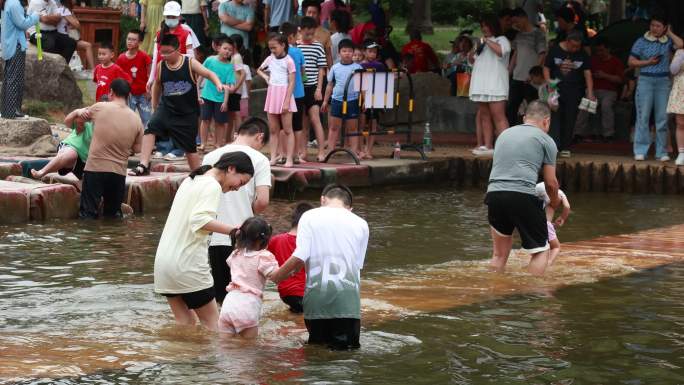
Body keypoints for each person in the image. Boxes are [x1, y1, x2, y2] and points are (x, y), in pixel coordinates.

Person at [154, 151, 255, 331]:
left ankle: (179, 358)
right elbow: (199, 220)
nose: (238, 188)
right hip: (187, 265)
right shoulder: (212, 186)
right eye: (242, 182)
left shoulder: (191, 180)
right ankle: (210, 360)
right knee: (216, 327)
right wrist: (235, 231)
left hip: (164, 264)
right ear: (231, 169)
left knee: (185, 324)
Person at [270, 184, 369, 350]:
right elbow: (357, 265)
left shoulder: (309, 216)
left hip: (317, 298)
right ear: (350, 208)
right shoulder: (361, 224)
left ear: (322, 199)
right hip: (348, 301)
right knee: (346, 354)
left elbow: (301, 255)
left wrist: (277, 276)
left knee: (317, 351)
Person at [131, 34, 225, 176]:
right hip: (167, 108)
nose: (164, 55)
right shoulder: (161, 65)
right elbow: (157, 85)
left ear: (177, 49)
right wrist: (155, 107)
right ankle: (143, 164)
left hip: (187, 113)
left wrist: (218, 84)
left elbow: (209, 74)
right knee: (151, 128)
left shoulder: (189, 63)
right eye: (162, 52)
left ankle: (197, 174)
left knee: (190, 148)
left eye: (167, 52)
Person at [485, 100, 560, 276]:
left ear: (525, 118)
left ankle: (493, 290)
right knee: (541, 250)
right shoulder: (546, 140)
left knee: (499, 254)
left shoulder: (504, 134)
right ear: (546, 121)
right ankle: (532, 297)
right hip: (522, 195)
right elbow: (551, 183)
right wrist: (555, 202)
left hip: (494, 194)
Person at [202, 117, 271, 305]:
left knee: (219, 297)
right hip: (243, 236)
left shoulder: (211, 156)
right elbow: (263, 201)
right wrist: (249, 209)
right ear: (260, 137)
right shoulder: (260, 160)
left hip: (213, 235)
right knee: (242, 293)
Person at [70, 79, 144, 219]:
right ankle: (111, 241)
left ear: (111, 92)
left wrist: (81, 129)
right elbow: (138, 148)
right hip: (118, 173)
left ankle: (90, 239)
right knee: (113, 217)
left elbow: (79, 120)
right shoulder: (136, 119)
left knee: (87, 215)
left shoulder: (100, 107)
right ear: (128, 96)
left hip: (95, 169)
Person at [218, 216, 290, 337]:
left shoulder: (236, 253)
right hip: (248, 307)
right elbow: (276, 276)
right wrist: (290, 269)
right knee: (249, 350)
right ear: (263, 240)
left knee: (224, 347)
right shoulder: (263, 256)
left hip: (228, 305)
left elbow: (230, 263)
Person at [628, 15, 684, 161]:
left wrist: (670, 33)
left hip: (663, 82)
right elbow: (631, 62)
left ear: (664, 27)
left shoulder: (668, 42)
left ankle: (662, 152)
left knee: (662, 118)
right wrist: (648, 62)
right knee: (643, 116)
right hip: (645, 80)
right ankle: (640, 150)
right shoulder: (641, 41)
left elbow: (681, 44)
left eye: (658, 26)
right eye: (653, 25)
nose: (654, 28)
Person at [543, 30, 593, 158]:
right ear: (567, 41)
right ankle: (554, 146)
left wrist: (590, 92)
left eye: (578, 46)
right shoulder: (555, 50)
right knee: (555, 118)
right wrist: (549, 83)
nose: (575, 49)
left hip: (575, 90)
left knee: (570, 118)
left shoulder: (582, 54)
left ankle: (565, 146)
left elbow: (587, 73)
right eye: (573, 46)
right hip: (556, 90)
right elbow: (546, 67)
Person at [468, 17, 511, 156]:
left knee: (498, 116)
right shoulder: (481, 43)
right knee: (484, 115)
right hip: (482, 84)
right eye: (482, 26)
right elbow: (472, 60)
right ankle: (487, 146)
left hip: (496, 84)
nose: (484, 28)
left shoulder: (502, 40)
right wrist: (473, 51)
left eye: (486, 25)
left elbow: (500, 51)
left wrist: (487, 40)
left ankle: (507, 147)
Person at [257, 33, 297, 168]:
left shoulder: (289, 61)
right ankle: (273, 157)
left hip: (284, 94)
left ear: (283, 45)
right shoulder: (269, 59)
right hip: (272, 93)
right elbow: (259, 70)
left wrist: (286, 101)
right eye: (270, 48)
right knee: (273, 130)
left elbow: (292, 82)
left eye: (274, 47)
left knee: (287, 129)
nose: (272, 50)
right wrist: (266, 78)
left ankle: (289, 158)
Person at [267, 202, 313, 313]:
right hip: (308, 295)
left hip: (286, 294)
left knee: (296, 313)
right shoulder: (313, 242)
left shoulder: (276, 240)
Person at [574, 40, 624, 142]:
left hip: (609, 92)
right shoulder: (593, 61)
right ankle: (579, 133)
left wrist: (604, 75)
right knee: (586, 105)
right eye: (597, 51)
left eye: (602, 50)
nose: (599, 53)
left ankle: (608, 134)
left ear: (608, 49)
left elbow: (620, 80)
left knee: (606, 105)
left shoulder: (616, 61)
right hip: (594, 90)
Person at [322, 39, 363, 157]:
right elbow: (330, 85)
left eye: (350, 51)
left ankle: (354, 152)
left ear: (353, 52)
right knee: (334, 127)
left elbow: (363, 86)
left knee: (353, 128)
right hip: (337, 100)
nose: (347, 53)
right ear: (339, 53)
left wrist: (363, 100)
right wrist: (325, 101)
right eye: (344, 51)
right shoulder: (335, 67)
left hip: (353, 100)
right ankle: (330, 151)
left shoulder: (358, 67)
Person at [1, 0, 42, 119]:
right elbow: (22, 23)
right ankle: (11, 111)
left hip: (10, 44)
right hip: (15, 45)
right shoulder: (13, 3)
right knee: (14, 78)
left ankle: (8, 110)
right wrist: (35, 16)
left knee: (10, 77)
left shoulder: (8, 2)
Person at [507, 8, 547, 125]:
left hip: (531, 80)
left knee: (533, 108)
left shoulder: (538, 33)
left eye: (516, 21)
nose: (515, 25)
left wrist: (533, 74)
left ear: (523, 18)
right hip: (517, 76)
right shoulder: (518, 35)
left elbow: (542, 54)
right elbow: (516, 53)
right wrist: (509, 71)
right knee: (511, 107)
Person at [297, 16, 328, 162]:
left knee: (315, 119)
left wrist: (319, 89)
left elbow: (321, 69)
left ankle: (321, 152)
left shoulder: (318, 46)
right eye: (306, 33)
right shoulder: (296, 46)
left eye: (312, 33)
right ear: (300, 31)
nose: (309, 36)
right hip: (299, 88)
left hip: (312, 87)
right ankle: (303, 152)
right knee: (302, 122)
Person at [30, 115, 92, 186]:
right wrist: (77, 112)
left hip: (86, 162)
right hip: (71, 149)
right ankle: (42, 171)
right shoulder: (89, 114)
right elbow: (68, 122)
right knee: (71, 154)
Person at [199, 36, 238, 150]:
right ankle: (203, 143)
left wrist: (228, 93)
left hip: (221, 99)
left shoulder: (230, 67)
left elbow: (231, 86)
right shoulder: (210, 60)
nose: (227, 51)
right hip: (206, 95)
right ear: (219, 48)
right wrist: (198, 94)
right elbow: (200, 76)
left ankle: (218, 144)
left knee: (220, 122)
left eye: (230, 50)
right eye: (225, 48)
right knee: (205, 119)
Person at [147, 1, 195, 91]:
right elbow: (155, 59)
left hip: (180, 77)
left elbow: (192, 57)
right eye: (168, 17)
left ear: (179, 16)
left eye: (173, 17)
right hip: (162, 76)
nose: (170, 19)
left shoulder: (186, 34)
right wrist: (151, 79)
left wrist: (175, 56)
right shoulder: (159, 34)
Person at [117, 29, 153, 127]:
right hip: (129, 94)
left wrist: (149, 90)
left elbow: (151, 75)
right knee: (127, 120)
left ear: (140, 42)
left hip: (143, 94)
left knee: (147, 120)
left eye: (133, 40)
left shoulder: (145, 57)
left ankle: (148, 140)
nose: (130, 41)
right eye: (128, 39)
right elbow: (119, 78)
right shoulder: (121, 58)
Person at [359, 41, 386, 160]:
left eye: (374, 51)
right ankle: (360, 149)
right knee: (361, 124)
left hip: (376, 98)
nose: (372, 54)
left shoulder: (380, 66)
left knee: (373, 125)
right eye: (370, 51)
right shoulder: (359, 66)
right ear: (364, 51)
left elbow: (385, 80)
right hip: (361, 99)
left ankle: (369, 150)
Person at [535, 182, 571, 266]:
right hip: (545, 225)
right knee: (555, 247)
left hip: (531, 224)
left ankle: (536, 264)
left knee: (538, 249)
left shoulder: (537, 187)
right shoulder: (559, 192)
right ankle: (548, 264)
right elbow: (567, 207)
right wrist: (562, 218)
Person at [56, 0, 93, 70]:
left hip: (67, 37)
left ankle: (91, 70)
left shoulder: (66, 9)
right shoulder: (64, 10)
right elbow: (77, 25)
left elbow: (76, 25)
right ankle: (93, 70)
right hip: (64, 39)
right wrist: (73, 23)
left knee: (87, 45)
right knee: (87, 45)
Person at [303, 0, 333, 66]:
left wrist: (332, 73)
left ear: (319, 14)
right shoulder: (298, 31)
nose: (311, 15)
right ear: (305, 13)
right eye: (309, 12)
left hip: (320, 71)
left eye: (314, 13)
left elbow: (328, 54)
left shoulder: (326, 33)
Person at [669, 48, 684, 166]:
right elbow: (673, 70)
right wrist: (681, 55)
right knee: (680, 123)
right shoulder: (680, 52)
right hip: (681, 89)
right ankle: (682, 153)